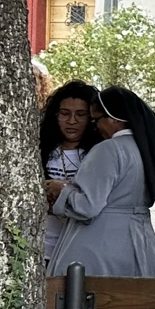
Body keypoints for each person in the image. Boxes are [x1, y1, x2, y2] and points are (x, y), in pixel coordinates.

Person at [47, 86, 155, 279]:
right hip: (140, 237)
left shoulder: (108, 149)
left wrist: (61, 190)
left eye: (97, 119)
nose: (96, 126)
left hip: (102, 242)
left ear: (114, 119)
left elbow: (87, 206)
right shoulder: (145, 148)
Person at [38, 79, 102, 266]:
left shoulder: (100, 153)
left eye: (80, 114)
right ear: (55, 115)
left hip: (84, 247)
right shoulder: (41, 150)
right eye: (65, 113)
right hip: (46, 246)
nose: (72, 121)